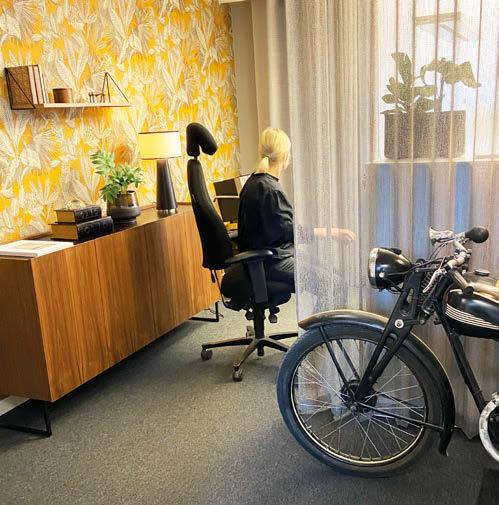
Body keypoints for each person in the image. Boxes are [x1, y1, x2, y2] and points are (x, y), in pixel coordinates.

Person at [237, 127, 295, 290]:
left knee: (319, 267)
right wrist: (327, 232)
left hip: (261, 260)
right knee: (328, 280)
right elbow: (288, 231)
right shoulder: (271, 190)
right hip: (271, 262)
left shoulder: (253, 182)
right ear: (285, 156)